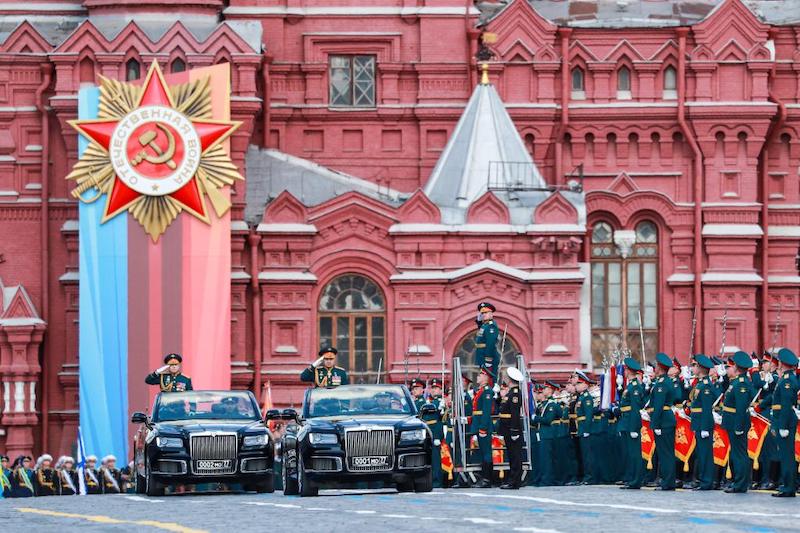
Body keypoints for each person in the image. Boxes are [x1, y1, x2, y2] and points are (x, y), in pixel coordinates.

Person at [721, 351, 754, 493]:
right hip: (733, 421)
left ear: (736, 367)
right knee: (737, 452)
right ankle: (739, 482)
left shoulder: (741, 384)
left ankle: (740, 484)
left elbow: (740, 408)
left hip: (737, 422)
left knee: (739, 454)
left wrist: (739, 426)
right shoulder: (736, 382)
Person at [770, 347, 799, 497]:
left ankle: (789, 487)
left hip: (785, 422)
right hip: (783, 420)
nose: (779, 364)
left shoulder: (788, 381)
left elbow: (786, 405)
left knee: (787, 456)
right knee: (785, 455)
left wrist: (782, 426)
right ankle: (787, 485)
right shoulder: (785, 378)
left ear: (783, 364)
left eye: (780, 362)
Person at [649, 352, 677, 491]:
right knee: (665, 452)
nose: (654, 368)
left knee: (666, 453)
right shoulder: (663, 381)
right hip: (665, 419)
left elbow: (659, 406)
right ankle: (667, 480)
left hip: (663, 421)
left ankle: (668, 481)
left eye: (656, 366)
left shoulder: (662, 384)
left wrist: (655, 424)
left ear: (660, 367)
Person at [688, 354, 715, 491]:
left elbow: (705, 407)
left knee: (705, 454)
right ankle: (703, 479)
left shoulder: (705, 385)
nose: (692, 368)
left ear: (700, 368)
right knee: (701, 453)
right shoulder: (699, 383)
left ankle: (706, 481)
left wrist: (704, 427)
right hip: (698, 422)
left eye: (694, 365)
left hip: (703, 423)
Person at [617, 357, 645, 490]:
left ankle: (636, 480)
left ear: (629, 371)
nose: (624, 372)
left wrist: (634, 427)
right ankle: (631, 478)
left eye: (625, 370)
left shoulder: (635, 387)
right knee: (629, 453)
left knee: (634, 453)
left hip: (631, 422)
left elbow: (635, 408)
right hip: (626, 421)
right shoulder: (629, 386)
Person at [498, 367, 524, 489]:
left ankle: (515, 481)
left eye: (505, 377)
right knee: (511, 455)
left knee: (515, 456)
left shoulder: (515, 393)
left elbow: (514, 413)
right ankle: (512, 479)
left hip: (512, 428)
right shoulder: (510, 393)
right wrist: (497, 396)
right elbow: (502, 407)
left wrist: (514, 430)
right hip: (507, 428)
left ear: (509, 379)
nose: (504, 379)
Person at [470, 367, 495, 488]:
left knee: (486, 453)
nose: (478, 377)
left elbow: (486, 411)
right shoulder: (481, 391)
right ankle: (483, 477)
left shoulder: (487, 391)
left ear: (485, 378)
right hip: (478, 423)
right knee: (482, 452)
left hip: (483, 425)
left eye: (480, 375)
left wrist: (483, 427)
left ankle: (487, 479)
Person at [532, 381, 558, 486]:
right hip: (542, 433)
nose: (543, 390)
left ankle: (547, 479)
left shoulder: (551, 404)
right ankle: (542, 478)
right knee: (542, 458)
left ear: (551, 390)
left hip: (548, 434)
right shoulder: (545, 404)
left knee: (546, 459)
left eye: (546, 388)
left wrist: (536, 418)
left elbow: (548, 420)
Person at [574, 371, 595, 485]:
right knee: (584, 454)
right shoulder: (581, 397)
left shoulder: (587, 398)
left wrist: (586, 430)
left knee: (587, 455)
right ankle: (586, 476)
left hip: (585, 429)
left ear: (585, 384)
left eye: (579, 384)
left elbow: (588, 415)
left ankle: (589, 477)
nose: (576, 386)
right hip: (581, 428)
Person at [473, 302, 500, 376]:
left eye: (486, 312)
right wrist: (478, 322)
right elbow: (482, 333)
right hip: (482, 355)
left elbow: (490, 343)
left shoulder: (491, 326)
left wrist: (488, 359)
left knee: (489, 377)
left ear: (491, 314)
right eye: (482, 313)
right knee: (484, 376)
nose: (483, 315)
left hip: (487, 356)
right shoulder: (485, 325)